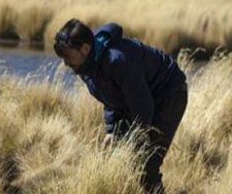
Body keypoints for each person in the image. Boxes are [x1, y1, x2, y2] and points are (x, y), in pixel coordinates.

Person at [54, 19, 187, 193]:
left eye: (67, 55)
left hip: (169, 93)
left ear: (85, 48)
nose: (65, 62)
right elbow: (111, 97)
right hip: (142, 100)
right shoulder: (86, 65)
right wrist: (112, 129)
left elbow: (143, 108)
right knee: (118, 157)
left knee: (144, 165)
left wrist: (134, 142)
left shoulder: (117, 61)